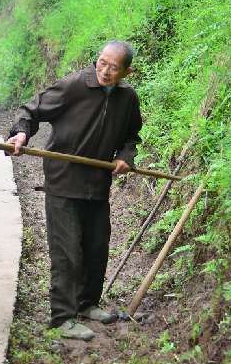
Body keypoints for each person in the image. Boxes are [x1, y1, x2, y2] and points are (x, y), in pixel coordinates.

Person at [7, 40, 142, 341]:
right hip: (65, 181)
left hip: (97, 183)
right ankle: (63, 317)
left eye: (113, 67)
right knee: (67, 251)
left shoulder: (127, 99)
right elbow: (32, 109)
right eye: (102, 62)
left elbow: (131, 136)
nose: (104, 70)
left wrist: (125, 156)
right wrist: (20, 133)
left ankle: (87, 304)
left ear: (127, 71)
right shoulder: (74, 86)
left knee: (96, 247)